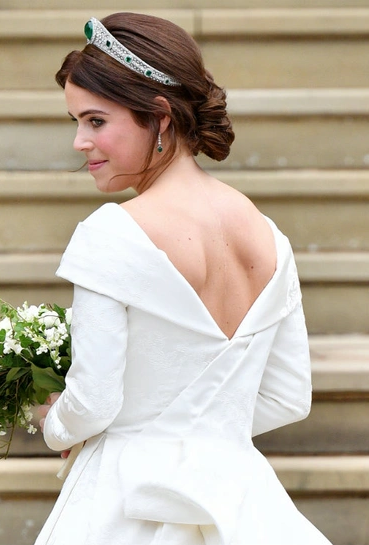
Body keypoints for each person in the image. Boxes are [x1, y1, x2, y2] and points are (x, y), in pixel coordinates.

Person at [35, 12, 333, 545]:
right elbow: (289, 396)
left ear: (161, 116)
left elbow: (94, 401)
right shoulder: (269, 237)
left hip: (125, 500)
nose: (80, 141)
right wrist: (205, 436)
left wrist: (54, 424)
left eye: (96, 121)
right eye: (76, 121)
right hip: (239, 500)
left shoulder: (113, 233)